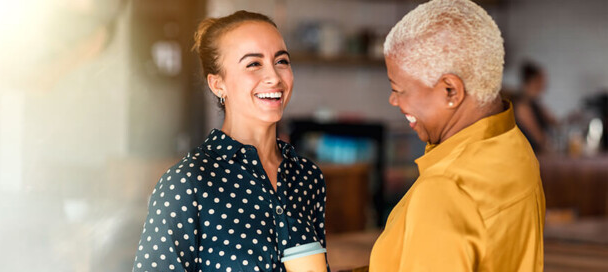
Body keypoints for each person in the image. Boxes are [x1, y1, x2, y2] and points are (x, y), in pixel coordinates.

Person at [132, 10, 328, 272]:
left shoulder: (307, 177)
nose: (274, 77)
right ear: (217, 84)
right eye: (253, 64)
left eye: (281, 61)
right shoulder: (187, 182)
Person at [369, 0, 546, 271]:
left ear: (450, 91)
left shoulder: (446, 189)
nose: (393, 100)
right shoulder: (516, 148)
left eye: (399, 89)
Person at [514, 60, 558, 153]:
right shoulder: (522, 106)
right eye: (541, 80)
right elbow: (539, 138)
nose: (544, 84)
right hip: (529, 155)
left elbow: (555, 122)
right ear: (533, 81)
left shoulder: (535, 103)